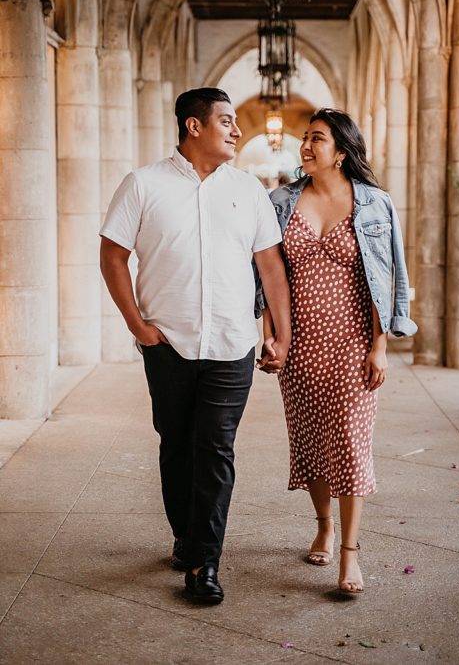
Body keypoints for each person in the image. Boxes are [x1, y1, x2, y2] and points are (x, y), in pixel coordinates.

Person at [100, 87, 292, 604]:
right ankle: (186, 539)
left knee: (215, 450)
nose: (235, 130)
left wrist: (280, 333)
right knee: (176, 444)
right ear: (193, 126)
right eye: (226, 121)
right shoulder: (143, 185)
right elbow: (112, 256)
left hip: (233, 344)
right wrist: (138, 327)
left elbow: (270, 266)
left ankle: (205, 561)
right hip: (168, 343)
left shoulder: (249, 191)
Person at [256, 108, 415, 595]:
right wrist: (272, 336)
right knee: (310, 443)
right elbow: (267, 274)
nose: (306, 146)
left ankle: (350, 552)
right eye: (305, 138)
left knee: (348, 443)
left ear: (341, 152)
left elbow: (388, 278)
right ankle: (322, 522)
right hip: (300, 343)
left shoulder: (374, 204)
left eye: (317, 139)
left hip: (351, 345)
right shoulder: (279, 201)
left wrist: (380, 345)